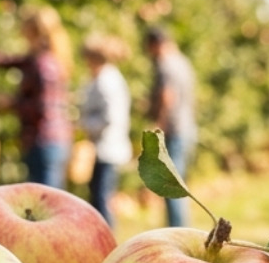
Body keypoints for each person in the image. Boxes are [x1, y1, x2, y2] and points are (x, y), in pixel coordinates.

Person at [0, 6, 74, 189]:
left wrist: (10, 103)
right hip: (54, 139)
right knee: (50, 198)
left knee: (45, 199)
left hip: (44, 139)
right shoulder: (46, 59)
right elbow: (13, 61)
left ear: (31, 31)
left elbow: (43, 106)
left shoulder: (43, 64)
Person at [143, 26, 198, 227]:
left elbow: (168, 97)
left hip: (174, 131)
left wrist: (158, 128)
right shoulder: (183, 62)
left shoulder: (166, 65)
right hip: (187, 128)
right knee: (179, 185)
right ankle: (180, 230)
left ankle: (178, 232)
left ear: (155, 44)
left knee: (170, 187)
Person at [78, 34, 133, 228]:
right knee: (96, 193)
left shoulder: (107, 81)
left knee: (102, 196)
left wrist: (83, 124)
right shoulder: (101, 78)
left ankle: (107, 235)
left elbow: (109, 117)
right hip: (101, 147)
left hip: (108, 147)